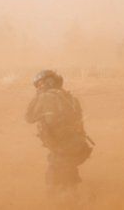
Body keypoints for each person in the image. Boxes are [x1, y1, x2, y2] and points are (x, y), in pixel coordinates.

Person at [25, 70, 93, 200]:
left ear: (47, 83)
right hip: (77, 145)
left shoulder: (45, 97)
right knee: (69, 174)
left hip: (60, 147)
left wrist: (37, 97)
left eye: (40, 84)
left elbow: (29, 118)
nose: (39, 87)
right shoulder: (71, 98)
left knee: (54, 182)